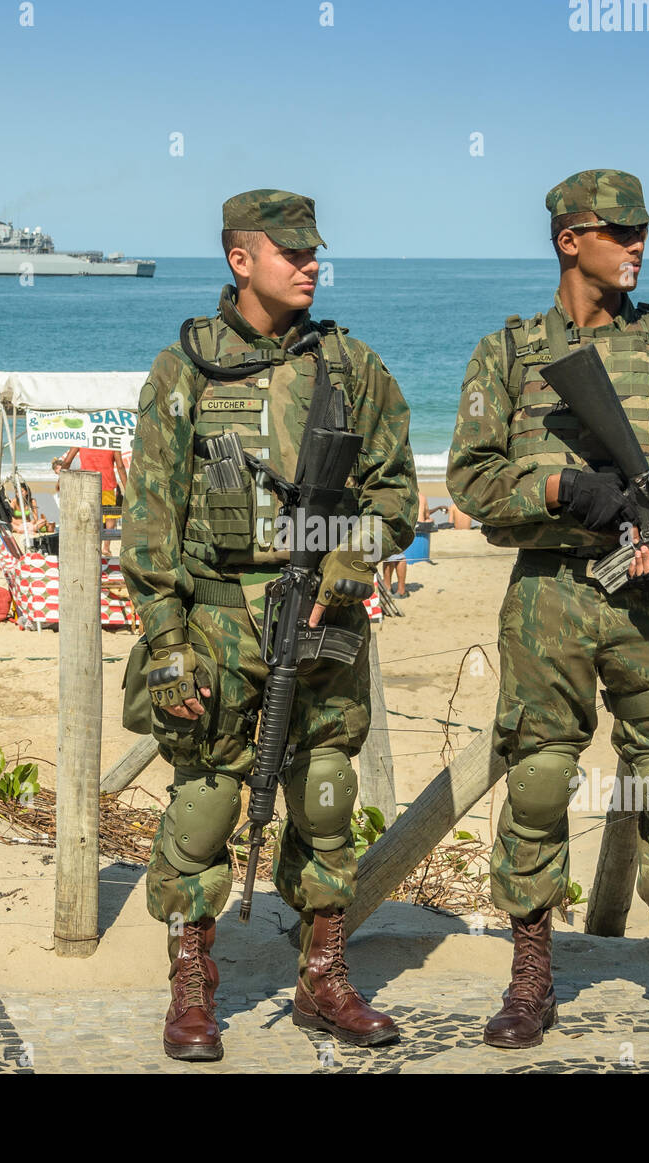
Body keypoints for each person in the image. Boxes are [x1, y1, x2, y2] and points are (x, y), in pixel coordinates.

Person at [447, 170, 649, 1050]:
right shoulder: (508, 355)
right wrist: (559, 486)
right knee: (540, 781)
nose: (636, 244)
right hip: (551, 595)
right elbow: (470, 478)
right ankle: (530, 975)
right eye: (616, 231)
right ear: (568, 240)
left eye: (641, 229)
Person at [120, 189, 418, 1062]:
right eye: (289, 252)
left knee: (327, 794)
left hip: (323, 617)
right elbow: (148, 518)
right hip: (215, 620)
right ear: (239, 260)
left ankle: (322, 974)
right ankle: (193, 982)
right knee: (207, 802)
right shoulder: (185, 370)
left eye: (314, 250)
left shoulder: (353, 367)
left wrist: (352, 555)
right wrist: (167, 639)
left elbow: (399, 489)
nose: (310, 264)